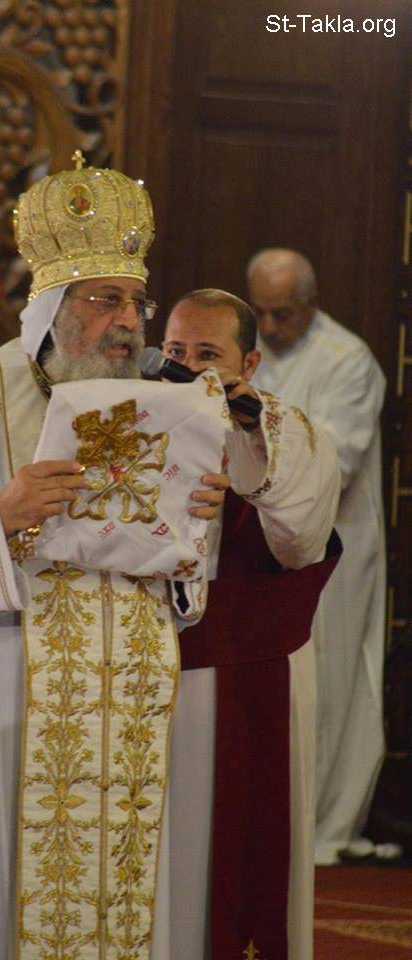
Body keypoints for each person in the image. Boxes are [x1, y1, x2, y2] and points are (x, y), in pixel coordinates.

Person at [0, 161, 340, 960]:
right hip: (2, 706)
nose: (129, 321)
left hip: (133, 714)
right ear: (52, 306)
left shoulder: (166, 407)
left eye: (136, 302)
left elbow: (206, 552)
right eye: (105, 300)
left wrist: (199, 522)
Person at [161, 289, 341, 959]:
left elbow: (300, 542)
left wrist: (245, 433)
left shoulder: (287, 433)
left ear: (249, 362)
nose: (186, 367)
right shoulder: (134, 425)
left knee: (238, 844)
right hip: (151, 673)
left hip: (247, 674)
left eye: (207, 354)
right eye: (175, 351)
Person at [247, 247, 387, 866]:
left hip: (331, 551)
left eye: (283, 314)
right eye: (260, 312)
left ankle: (320, 822)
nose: (270, 327)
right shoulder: (246, 351)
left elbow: (335, 459)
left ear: (311, 304)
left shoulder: (346, 359)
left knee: (324, 681)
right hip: (255, 550)